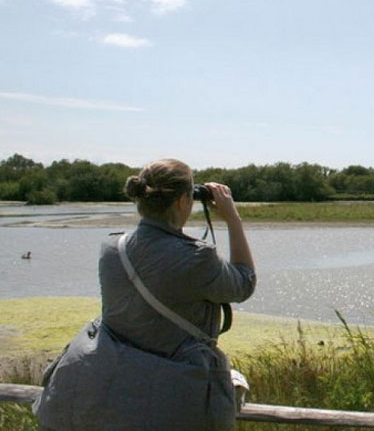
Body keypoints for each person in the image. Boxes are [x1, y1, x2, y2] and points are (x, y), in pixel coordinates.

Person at [34, 159, 256, 430]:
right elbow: (245, 283)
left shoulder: (112, 248)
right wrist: (233, 219)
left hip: (119, 388)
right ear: (181, 202)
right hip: (175, 394)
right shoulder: (197, 258)